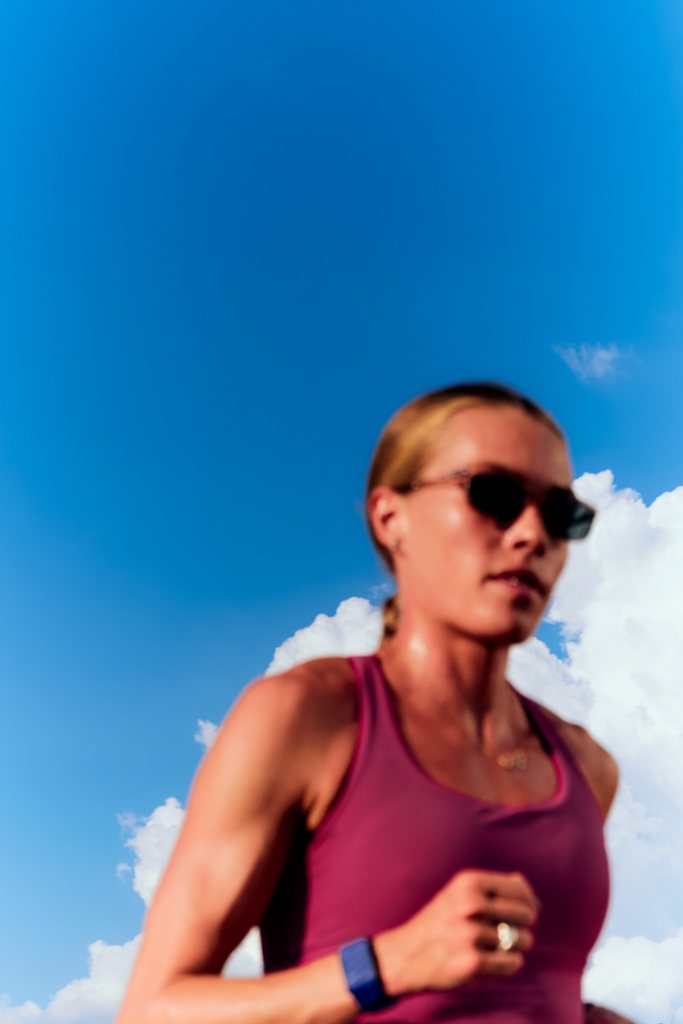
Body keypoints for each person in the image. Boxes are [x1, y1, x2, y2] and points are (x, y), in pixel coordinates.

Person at [117, 382, 635, 1024]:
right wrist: (383, 965)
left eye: (560, 514)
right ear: (391, 518)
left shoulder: (587, 767)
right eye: (494, 496)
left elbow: (513, 991)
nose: (533, 534)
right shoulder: (304, 716)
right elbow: (153, 1010)